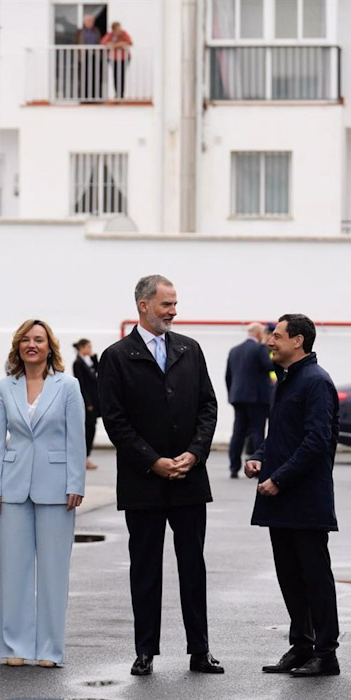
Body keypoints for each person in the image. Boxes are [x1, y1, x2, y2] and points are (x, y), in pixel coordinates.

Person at [98, 274, 222, 676]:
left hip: (189, 480)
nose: (173, 311)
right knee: (145, 568)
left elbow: (208, 406)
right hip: (143, 482)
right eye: (166, 304)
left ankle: (199, 650)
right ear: (143, 305)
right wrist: (152, 460)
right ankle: (145, 650)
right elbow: (115, 421)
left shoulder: (190, 349)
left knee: (193, 566)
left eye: (175, 304)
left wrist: (194, 453)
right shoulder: (116, 356)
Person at [0, 319, 86, 668]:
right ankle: (15, 647)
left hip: (57, 487)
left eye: (38, 340)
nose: (32, 345)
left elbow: (76, 437)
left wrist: (76, 483)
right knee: (13, 571)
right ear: (17, 347)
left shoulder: (68, 386)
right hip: (12, 486)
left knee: (54, 571)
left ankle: (49, 650)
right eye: (26, 339)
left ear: (49, 347)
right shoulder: (5, 387)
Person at [245, 314, 340, 678]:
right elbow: (281, 436)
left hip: (304, 498)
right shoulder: (286, 380)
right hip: (281, 497)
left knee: (315, 577)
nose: (270, 341)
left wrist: (279, 479)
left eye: (277, 336)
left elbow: (317, 440)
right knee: (289, 576)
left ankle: (326, 652)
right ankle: (301, 646)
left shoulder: (316, 381)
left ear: (298, 341)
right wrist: (258, 457)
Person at [226, 322, 275, 479]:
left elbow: (228, 376)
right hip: (257, 398)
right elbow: (269, 366)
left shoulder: (234, 351)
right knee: (257, 430)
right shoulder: (260, 349)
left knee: (238, 432)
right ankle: (256, 466)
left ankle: (234, 467)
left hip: (238, 397)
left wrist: (232, 395)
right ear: (259, 334)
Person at [72, 338, 100, 470]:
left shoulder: (88, 362)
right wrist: (87, 402)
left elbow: (98, 374)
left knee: (91, 428)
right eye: (88, 347)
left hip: (94, 402)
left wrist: (95, 360)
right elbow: (81, 384)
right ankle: (84, 457)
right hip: (87, 403)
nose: (91, 349)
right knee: (88, 429)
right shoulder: (78, 363)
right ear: (82, 348)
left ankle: (86, 457)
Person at [100, 21, 133, 99]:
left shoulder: (124, 34)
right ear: (114, 29)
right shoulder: (110, 35)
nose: (119, 30)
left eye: (120, 28)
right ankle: (117, 94)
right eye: (117, 28)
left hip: (124, 58)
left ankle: (121, 95)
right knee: (115, 75)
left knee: (121, 75)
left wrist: (115, 45)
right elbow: (103, 43)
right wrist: (119, 45)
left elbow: (129, 42)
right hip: (113, 58)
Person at [74, 14, 103, 101]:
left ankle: (95, 98)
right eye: (88, 21)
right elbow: (75, 43)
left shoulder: (97, 31)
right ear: (84, 22)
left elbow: (100, 42)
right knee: (83, 77)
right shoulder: (79, 32)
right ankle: (83, 98)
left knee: (95, 77)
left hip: (94, 56)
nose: (90, 22)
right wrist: (79, 53)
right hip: (83, 57)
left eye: (91, 21)